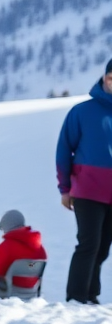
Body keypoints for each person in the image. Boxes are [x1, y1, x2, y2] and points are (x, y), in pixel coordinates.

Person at [56, 58, 112, 304]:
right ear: (105, 78)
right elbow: (63, 150)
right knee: (88, 243)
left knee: (102, 249)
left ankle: (91, 294)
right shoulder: (82, 111)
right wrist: (65, 189)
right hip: (87, 191)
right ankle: (76, 296)